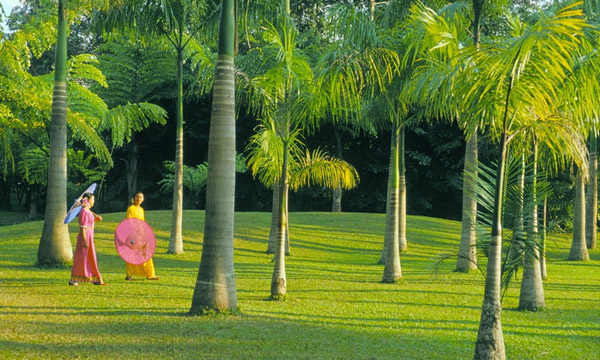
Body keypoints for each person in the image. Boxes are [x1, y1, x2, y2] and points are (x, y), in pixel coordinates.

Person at [69, 193, 105, 286]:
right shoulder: (84, 212)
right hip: (85, 237)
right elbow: (83, 227)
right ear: (88, 200)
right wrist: (84, 241)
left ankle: (94, 278)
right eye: (92, 199)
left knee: (90, 257)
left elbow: (90, 223)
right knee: (81, 258)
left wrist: (97, 219)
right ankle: (74, 279)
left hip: (90, 235)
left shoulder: (88, 211)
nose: (93, 201)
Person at [124, 192, 158, 281]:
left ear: (143, 199)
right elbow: (130, 222)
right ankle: (129, 275)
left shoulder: (141, 209)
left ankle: (149, 274)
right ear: (133, 198)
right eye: (137, 197)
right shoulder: (131, 209)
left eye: (141, 197)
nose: (139, 199)